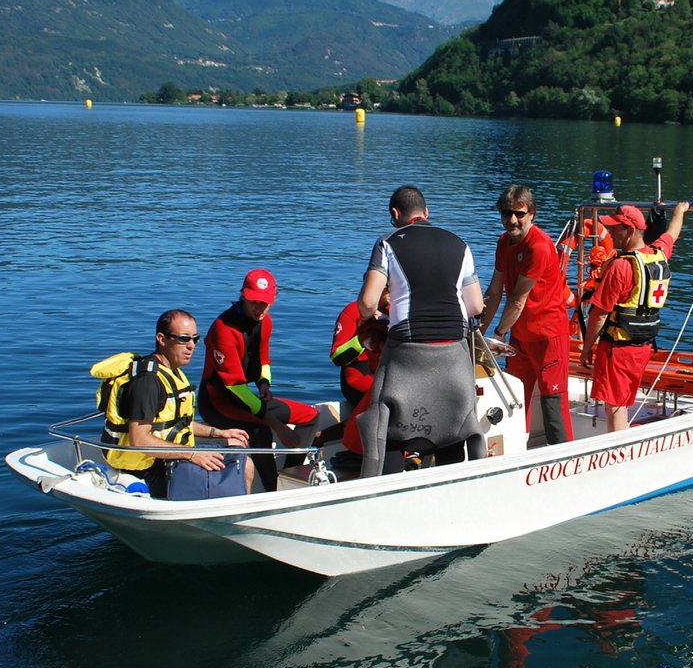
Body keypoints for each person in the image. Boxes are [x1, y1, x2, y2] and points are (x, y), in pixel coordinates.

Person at [356, 185, 486, 476]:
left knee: (387, 431)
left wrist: (376, 315)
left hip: (407, 355)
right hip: (454, 355)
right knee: (451, 429)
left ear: (395, 214)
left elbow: (367, 303)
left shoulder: (387, 242)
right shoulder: (459, 243)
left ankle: (383, 494)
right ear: (426, 213)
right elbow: (476, 305)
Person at [97, 309, 250, 499]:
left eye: (195, 339)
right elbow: (139, 439)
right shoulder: (148, 382)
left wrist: (218, 433)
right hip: (153, 471)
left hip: (172, 458)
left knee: (236, 444)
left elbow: (175, 423)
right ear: (162, 339)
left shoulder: (171, 371)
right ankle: (232, 519)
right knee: (243, 467)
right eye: (183, 339)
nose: (191, 346)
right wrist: (192, 455)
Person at [199, 269, 320, 491]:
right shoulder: (223, 329)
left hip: (249, 399)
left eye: (265, 303)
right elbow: (234, 386)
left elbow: (263, 359)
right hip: (219, 402)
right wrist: (276, 425)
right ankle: (274, 489)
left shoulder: (265, 321)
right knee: (261, 430)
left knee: (311, 416)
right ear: (243, 296)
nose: (259, 308)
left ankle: (289, 475)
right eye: (254, 302)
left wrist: (264, 384)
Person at [578, 200, 691, 432]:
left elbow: (599, 315)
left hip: (617, 349)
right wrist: (680, 211)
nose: (610, 232)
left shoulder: (621, 267)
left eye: (615, 228)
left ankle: (617, 453)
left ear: (629, 231)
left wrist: (587, 347)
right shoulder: (659, 254)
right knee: (624, 400)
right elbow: (672, 233)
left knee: (615, 406)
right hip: (642, 346)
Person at [477, 184, 573, 446]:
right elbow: (494, 292)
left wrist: (497, 335)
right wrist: (477, 333)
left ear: (532, 213)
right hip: (520, 334)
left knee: (553, 402)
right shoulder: (503, 242)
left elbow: (518, 299)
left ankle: (564, 457)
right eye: (507, 214)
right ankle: (517, 452)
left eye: (519, 213)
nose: (512, 220)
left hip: (548, 336)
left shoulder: (539, 246)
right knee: (514, 397)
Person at [328, 290, 389, 456]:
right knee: (389, 395)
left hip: (386, 372)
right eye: (388, 288)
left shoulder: (398, 311)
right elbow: (337, 356)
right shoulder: (353, 311)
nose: (391, 293)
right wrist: (363, 337)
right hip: (357, 375)